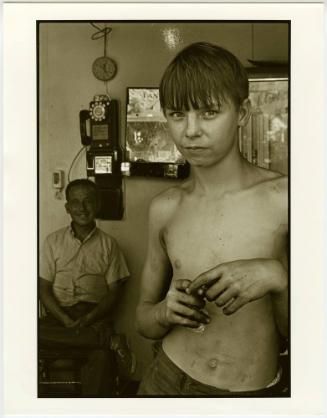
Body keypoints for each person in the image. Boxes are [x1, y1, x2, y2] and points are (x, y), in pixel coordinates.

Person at [136, 42, 288, 396]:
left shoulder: (287, 200)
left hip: (249, 393)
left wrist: (278, 277)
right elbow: (143, 319)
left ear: (242, 112)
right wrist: (164, 312)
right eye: (177, 114)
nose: (190, 131)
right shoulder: (165, 208)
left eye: (208, 113)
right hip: (165, 381)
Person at [39, 178, 130, 397]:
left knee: (101, 358)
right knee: (20, 333)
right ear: (67, 207)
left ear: (97, 205)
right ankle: (106, 339)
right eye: (75, 202)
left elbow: (115, 292)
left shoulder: (109, 244)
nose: (82, 208)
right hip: (57, 318)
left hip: (92, 315)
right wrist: (64, 319)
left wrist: (87, 320)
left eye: (88, 201)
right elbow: (43, 288)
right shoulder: (52, 241)